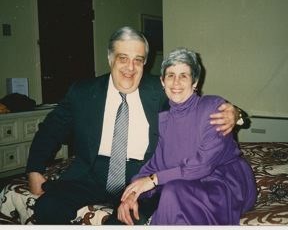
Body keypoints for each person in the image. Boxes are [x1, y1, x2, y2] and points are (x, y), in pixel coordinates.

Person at [26, 26, 239, 224]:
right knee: (47, 207)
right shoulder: (83, 92)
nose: (130, 67)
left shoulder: (163, 89)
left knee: (123, 222)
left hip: (141, 176)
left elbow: (196, 105)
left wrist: (235, 114)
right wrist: (34, 169)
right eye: (123, 58)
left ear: (145, 63)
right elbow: (50, 130)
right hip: (89, 175)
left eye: (138, 60)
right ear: (110, 59)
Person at [118, 48, 256, 225]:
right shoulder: (164, 120)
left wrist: (154, 180)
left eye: (184, 75)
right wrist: (132, 194)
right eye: (170, 75)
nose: (176, 82)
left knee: (171, 192)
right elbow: (155, 163)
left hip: (225, 182)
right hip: (188, 184)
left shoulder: (213, 107)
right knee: (172, 191)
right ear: (162, 81)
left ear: (195, 82)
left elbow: (203, 165)